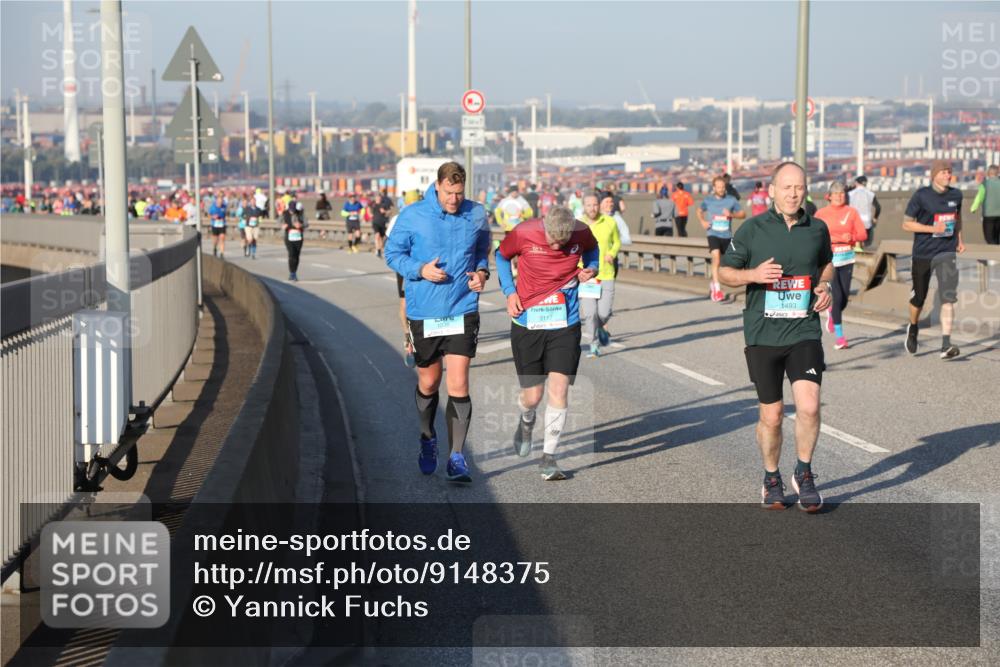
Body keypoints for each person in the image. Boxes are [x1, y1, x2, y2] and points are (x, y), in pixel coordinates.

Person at [719, 161, 834, 512]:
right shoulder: (752, 229)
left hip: (803, 330)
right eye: (786, 187)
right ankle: (772, 476)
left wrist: (825, 283)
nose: (793, 193)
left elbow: (827, 263)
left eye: (799, 187)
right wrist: (753, 274)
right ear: (771, 191)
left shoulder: (817, 228)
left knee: (810, 406)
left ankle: (804, 472)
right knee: (771, 415)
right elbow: (724, 272)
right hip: (762, 334)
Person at [385, 162, 490, 484]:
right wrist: (420, 270)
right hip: (425, 311)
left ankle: (457, 457)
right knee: (429, 382)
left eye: (459, 194)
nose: (454, 200)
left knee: (458, 384)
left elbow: (483, 251)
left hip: (462, 307)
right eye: (449, 193)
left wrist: (482, 273)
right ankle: (427, 437)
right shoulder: (413, 214)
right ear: (438, 186)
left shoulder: (476, 213)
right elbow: (392, 254)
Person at [496, 206, 599, 481]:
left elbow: (593, 250)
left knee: (560, 388)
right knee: (533, 396)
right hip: (528, 322)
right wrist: (509, 292)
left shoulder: (581, 231)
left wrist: (591, 267)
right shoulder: (524, 232)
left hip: (565, 323)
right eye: (552, 241)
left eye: (562, 244)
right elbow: (501, 256)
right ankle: (526, 419)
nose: (556, 247)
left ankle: (549, 458)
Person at [902, 160, 965, 359]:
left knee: (948, 297)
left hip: (946, 252)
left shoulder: (957, 195)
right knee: (919, 298)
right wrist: (932, 229)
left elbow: (958, 218)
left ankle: (946, 344)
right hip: (923, 253)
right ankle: (913, 328)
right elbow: (907, 224)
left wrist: (960, 240)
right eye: (944, 172)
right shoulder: (921, 196)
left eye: (950, 172)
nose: (948, 175)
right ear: (935, 175)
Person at [815, 181, 867, 349]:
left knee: (843, 299)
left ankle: (831, 312)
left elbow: (863, 234)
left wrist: (850, 237)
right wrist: (832, 239)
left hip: (847, 259)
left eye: (842, 193)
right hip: (829, 261)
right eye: (835, 194)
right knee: (837, 297)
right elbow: (814, 234)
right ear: (829, 196)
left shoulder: (851, 212)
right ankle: (840, 337)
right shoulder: (822, 213)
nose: (839, 196)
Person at [579, 194, 621, 358]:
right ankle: (594, 345)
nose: (592, 208)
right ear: (584, 206)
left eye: (595, 204)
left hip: (606, 274)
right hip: (587, 276)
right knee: (590, 314)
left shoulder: (610, 222)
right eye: (588, 205)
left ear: (599, 206)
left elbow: (617, 242)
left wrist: (611, 253)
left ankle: (601, 326)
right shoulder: (578, 225)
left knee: (603, 314)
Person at [388, 189, 424, 368]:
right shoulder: (397, 219)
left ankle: (425, 339)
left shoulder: (427, 215)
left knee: (422, 303)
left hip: (424, 266)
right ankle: (409, 339)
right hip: (405, 267)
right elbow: (391, 247)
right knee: (406, 303)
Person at [697, 175, 745, 302]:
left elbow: (743, 214)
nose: (721, 189)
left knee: (725, 264)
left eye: (723, 187)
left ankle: (714, 283)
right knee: (716, 256)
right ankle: (717, 289)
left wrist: (732, 214)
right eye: (718, 187)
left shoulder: (731, 200)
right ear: (714, 188)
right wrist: (702, 221)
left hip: (726, 235)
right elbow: (699, 210)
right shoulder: (708, 200)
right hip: (713, 233)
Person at [970, 164, 999, 245]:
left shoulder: (984, 184)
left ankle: (993, 256)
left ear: (988, 173)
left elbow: (979, 197)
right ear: (997, 173)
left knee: (989, 237)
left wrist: (973, 208)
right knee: (997, 237)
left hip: (988, 215)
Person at [848, 175, 881, 248]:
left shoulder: (850, 194)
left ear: (856, 183)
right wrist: (875, 218)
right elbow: (878, 207)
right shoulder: (870, 194)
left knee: (854, 241)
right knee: (863, 241)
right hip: (866, 222)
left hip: (853, 221)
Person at [282, 200, 306, 281]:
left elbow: (307, 223)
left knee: (296, 255)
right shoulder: (284, 213)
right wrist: (283, 225)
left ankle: (294, 272)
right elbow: (278, 222)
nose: (292, 211)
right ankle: (292, 273)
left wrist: (301, 225)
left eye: (293, 209)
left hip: (298, 237)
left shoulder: (300, 214)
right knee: (291, 254)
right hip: (289, 237)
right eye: (290, 209)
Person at [370, 189, 392, 258]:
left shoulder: (384, 204)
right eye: (377, 197)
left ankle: (379, 248)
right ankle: (378, 251)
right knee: (377, 236)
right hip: (375, 222)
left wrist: (385, 212)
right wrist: (370, 214)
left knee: (382, 238)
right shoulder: (373, 204)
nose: (378, 198)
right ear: (375, 198)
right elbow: (367, 208)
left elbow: (390, 211)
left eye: (379, 197)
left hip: (382, 223)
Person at [208, 194, 227, 258]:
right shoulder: (213, 207)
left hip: (222, 224)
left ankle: (222, 253)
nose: (220, 202)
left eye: (221, 201)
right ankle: (215, 248)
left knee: (222, 238)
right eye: (219, 201)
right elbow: (209, 215)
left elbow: (225, 214)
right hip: (215, 225)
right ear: (216, 201)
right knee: (215, 240)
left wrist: (223, 218)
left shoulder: (224, 206)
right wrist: (213, 217)